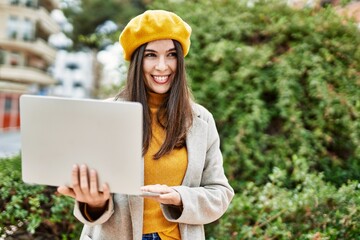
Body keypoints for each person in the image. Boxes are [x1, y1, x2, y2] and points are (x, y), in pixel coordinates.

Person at [57, 9, 234, 240]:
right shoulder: (105, 115)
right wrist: (95, 202)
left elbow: (219, 193)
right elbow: (92, 200)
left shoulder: (201, 120)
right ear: (137, 60)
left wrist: (179, 197)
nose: (162, 66)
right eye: (151, 55)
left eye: (171, 55)